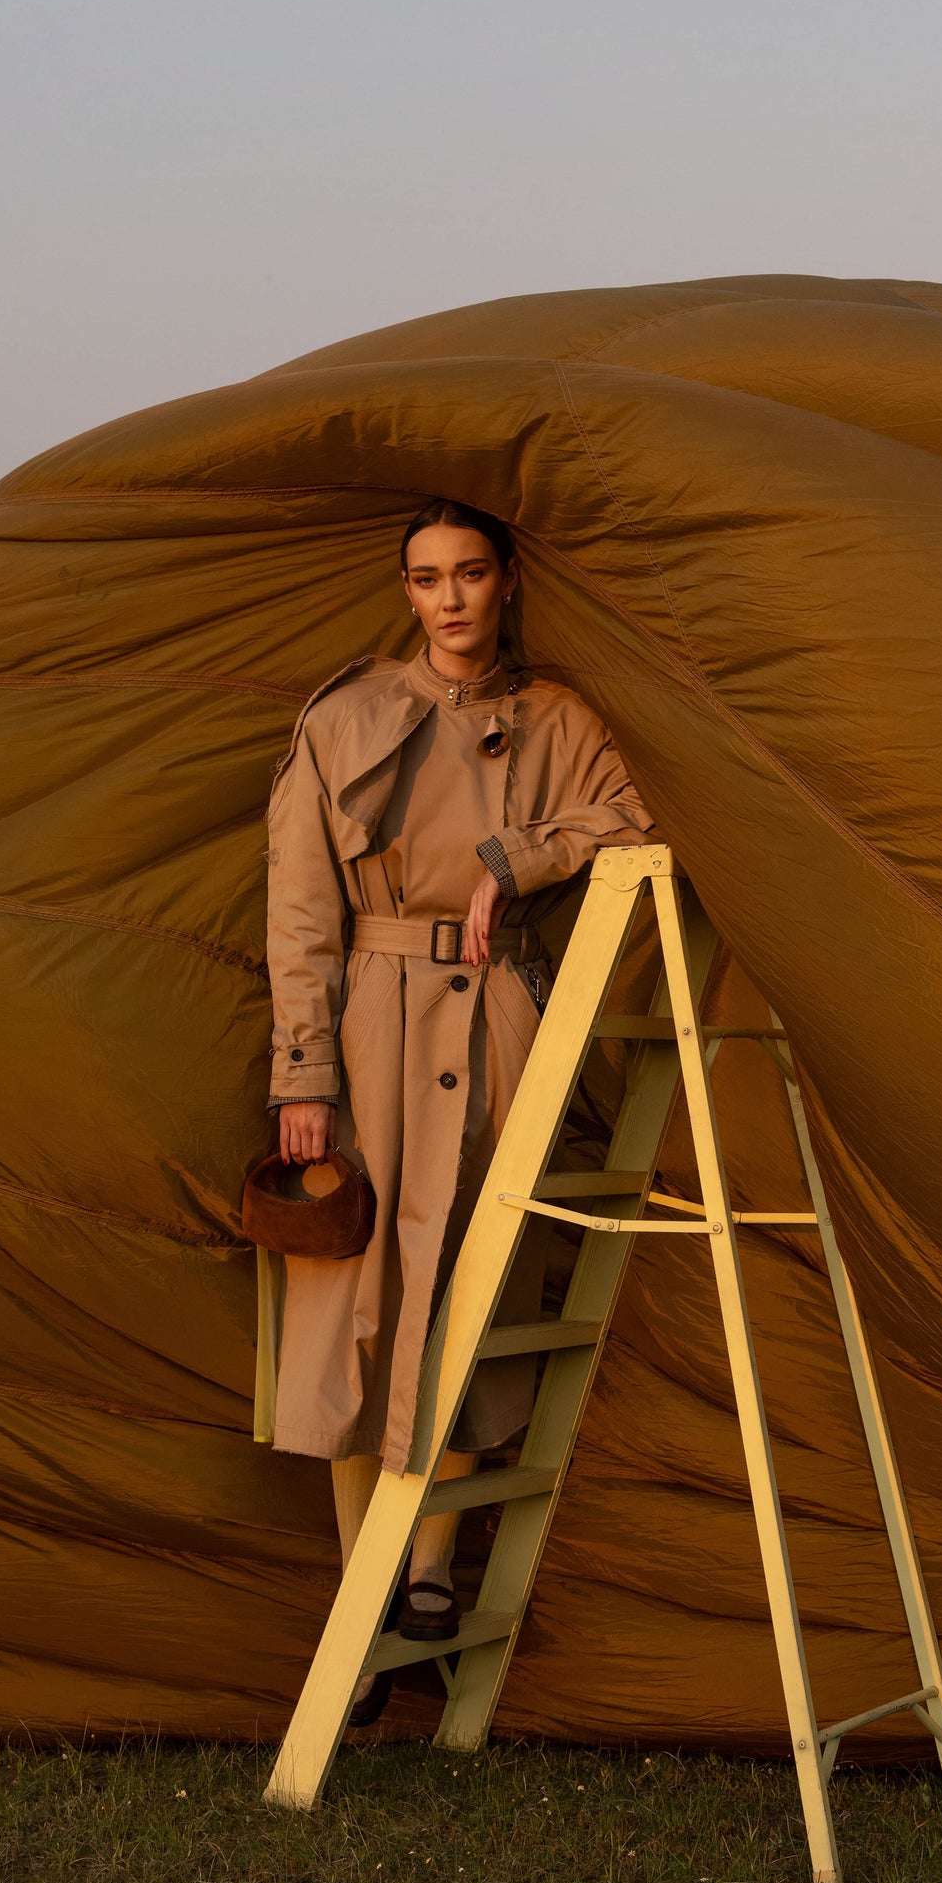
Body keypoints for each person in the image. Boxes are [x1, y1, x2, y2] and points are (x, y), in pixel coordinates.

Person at [265, 499, 654, 1723]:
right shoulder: (343, 721)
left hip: (499, 1017)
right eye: (427, 578)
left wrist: (517, 858)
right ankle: (361, 1586)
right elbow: (299, 917)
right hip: (370, 1019)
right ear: (406, 591)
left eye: (470, 574)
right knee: (351, 1299)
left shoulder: (560, 722)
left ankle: (429, 1581)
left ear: (505, 582)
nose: (449, 600)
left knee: (481, 1285)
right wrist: (303, 1079)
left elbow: (638, 819)